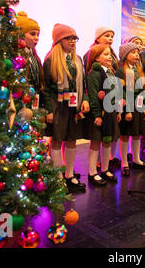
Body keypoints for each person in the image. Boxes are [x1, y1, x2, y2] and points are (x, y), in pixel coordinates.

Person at [43, 23, 90, 192]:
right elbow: (46, 89)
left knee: (72, 140)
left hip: (74, 106)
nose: (73, 41)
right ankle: (57, 177)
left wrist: (84, 99)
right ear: (59, 40)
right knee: (56, 140)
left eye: (74, 38)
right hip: (58, 106)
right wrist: (48, 110)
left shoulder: (77, 59)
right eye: (68, 38)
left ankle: (69, 174)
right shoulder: (50, 60)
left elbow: (83, 83)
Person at [83, 26, 120, 167]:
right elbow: (91, 80)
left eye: (112, 36)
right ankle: (96, 164)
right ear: (98, 38)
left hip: (110, 106)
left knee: (108, 138)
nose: (110, 38)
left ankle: (106, 163)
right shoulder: (92, 56)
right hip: (99, 107)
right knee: (97, 138)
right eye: (107, 35)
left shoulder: (112, 58)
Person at [115, 42, 145, 176]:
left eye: (137, 53)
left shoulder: (138, 70)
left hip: (138, 106)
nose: (136, 55)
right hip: (127, 107)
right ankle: (124, 162)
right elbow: (123, 92)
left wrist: (144, 109)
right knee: (125, 135)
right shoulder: (120, 71)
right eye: (133, 52)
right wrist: (128, 110)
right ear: (125, 55)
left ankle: (136, 159)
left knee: (137, 134)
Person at [15, 12, 44, 101]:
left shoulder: (34, 56)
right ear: (21, 34)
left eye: (38, 34)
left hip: (35, 101)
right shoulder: (16, 56)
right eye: (32, 34)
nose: (36, 38)